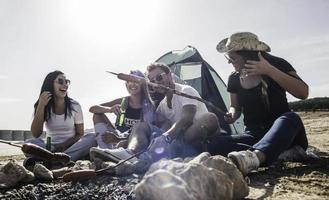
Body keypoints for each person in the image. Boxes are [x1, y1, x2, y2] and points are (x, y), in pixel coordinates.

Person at [208, 32, 309, 175]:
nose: (229, 62)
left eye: (233, 58)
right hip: (254, 134)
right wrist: (232, 114)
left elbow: (303, 93)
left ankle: (256, 157)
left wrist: (269, 70)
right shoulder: (234, 78)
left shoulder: (277, 64)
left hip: (285, 133)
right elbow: (235, 107)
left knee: (291, 118)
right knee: (215, 143)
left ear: (248, 56)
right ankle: (275, 154)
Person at [90, 62, 219, 163]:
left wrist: (166, 137)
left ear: (169, 75)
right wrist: (158, 137)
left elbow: (187, 118)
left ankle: (143, 157)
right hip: (176, 142)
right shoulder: (161, 106)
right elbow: (160, 128)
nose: (157, 83)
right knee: (140, 126)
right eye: (153, 81)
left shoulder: (186, 90)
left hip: (192, 137)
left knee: (209, 117)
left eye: (159, 77)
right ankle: (130, 154)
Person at [25, 70, 97, 165]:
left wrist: (65, 145)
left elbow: (80, 133)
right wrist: (41, 105)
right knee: (27, 144)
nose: (65, 85)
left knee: (93, 137)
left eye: (66, 81)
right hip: (50, 147)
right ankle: (60, 159)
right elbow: (36, 134)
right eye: (60, 81)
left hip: (70, 145)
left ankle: (55, 159)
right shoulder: (43, 104)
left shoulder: (75, 105)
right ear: (51, 84)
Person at [89, 70, 156, 150]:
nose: (133, 84)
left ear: (142, 84)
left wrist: (117, 139)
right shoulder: (123, 101)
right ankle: (105, 151)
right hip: (119, 135)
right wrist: (110, 109)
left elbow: (148, 135)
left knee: (123, 144)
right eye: (129, 81)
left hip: (135, 142)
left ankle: (116, 155)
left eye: (136, 81)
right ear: (126, 84)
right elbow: (92, 108)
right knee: (97, 115)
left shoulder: (148, 106)